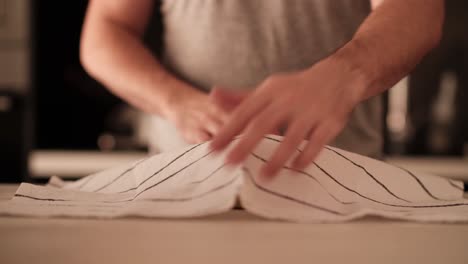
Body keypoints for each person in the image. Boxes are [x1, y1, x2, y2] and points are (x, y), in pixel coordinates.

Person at [80, 0, 443, 179]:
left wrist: (343, 75)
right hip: (188, 186)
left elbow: (419, 11)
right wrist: (177, 102)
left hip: (341, 189)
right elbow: (105, 32)